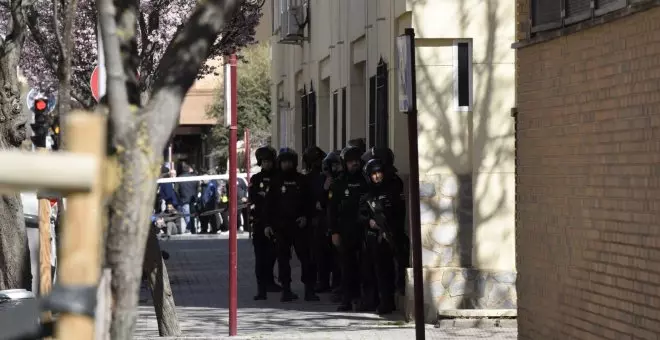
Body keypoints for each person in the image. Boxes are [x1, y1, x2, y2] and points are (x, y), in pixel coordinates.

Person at [264, 147, 319, 302]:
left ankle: (309, 289)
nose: (287, 165)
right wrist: (267, 225)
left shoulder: (302, 180)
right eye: (284, 162)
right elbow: (268, 205)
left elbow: (310, 202)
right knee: (283, 259)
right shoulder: (275, 182)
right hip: (281, 227)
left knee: (306, 258)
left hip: (300, 226)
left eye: (289, 162)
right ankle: (286, 289)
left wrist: (306, 217)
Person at [359, 158, 405, 315]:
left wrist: (390, 229)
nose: (377, 177)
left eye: (379, 173)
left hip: (389, 236)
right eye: (373, 174)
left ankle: (389, 300)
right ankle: (376, 301)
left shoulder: (391, 192)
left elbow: (399, 213)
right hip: (372, 239)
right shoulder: (367, 196)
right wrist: (369, 221)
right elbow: (361, 215)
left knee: (390, 270)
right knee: (374, 271)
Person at [328, 145, 369, 311]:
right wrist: (334, 232)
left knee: (364, 266)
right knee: (346, 267)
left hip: (364, 230)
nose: (354, 164)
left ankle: (362, 299)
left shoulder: (365, 181)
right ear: (345, 163)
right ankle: (346, 299)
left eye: (356, 161)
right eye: (351, 162)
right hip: (345, 230)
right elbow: (331, 210)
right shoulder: (338, 183)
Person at [250, 146, 283, 300]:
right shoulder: (255, 179)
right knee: (260, 257)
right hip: (259, 222)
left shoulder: (279, 177)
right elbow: (254, 198)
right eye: (264, 161)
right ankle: (261, 288)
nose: (267, 164)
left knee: (273, 254)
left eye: (269, 161)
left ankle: (270, 281)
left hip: (276, 221)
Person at [302, 146, 332, 293]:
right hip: (315, 218)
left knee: (325, 252)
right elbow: (306, 200)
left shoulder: (328, 176)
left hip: (326, 216)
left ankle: (325, 280)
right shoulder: (307, 178)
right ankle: (321, 280)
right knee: (317, 253)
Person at [322, 150, 345, 302]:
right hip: (330, 224)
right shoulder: (326, 181)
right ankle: (335, 286)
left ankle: (342, 288)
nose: (335, 168)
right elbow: (324, 204)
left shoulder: (344, 180)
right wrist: (325, 188)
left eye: (337, 165)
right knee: (332, 259)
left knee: (343, 259)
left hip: (344, 224)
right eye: (333, 165)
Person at [178, 164, 200, 234]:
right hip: (193, 199)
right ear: (188, 169)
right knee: (193, 214)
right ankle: (193, 228)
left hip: (184, 199)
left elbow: (176, 189)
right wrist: (196, 196)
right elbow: (197, 187)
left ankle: (190, 228)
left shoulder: (179, 178)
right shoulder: (194, 177)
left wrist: (179, 197)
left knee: (187, 215)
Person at [199, 169, 221, 234]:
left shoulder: (211, 185)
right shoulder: (203, 185)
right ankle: (204, 229)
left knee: (212, 217)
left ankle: (214, 229)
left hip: (210, 204)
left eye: (203, 179)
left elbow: (210, 195)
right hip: (204, 204)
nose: (202, 180)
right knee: (204, 217)